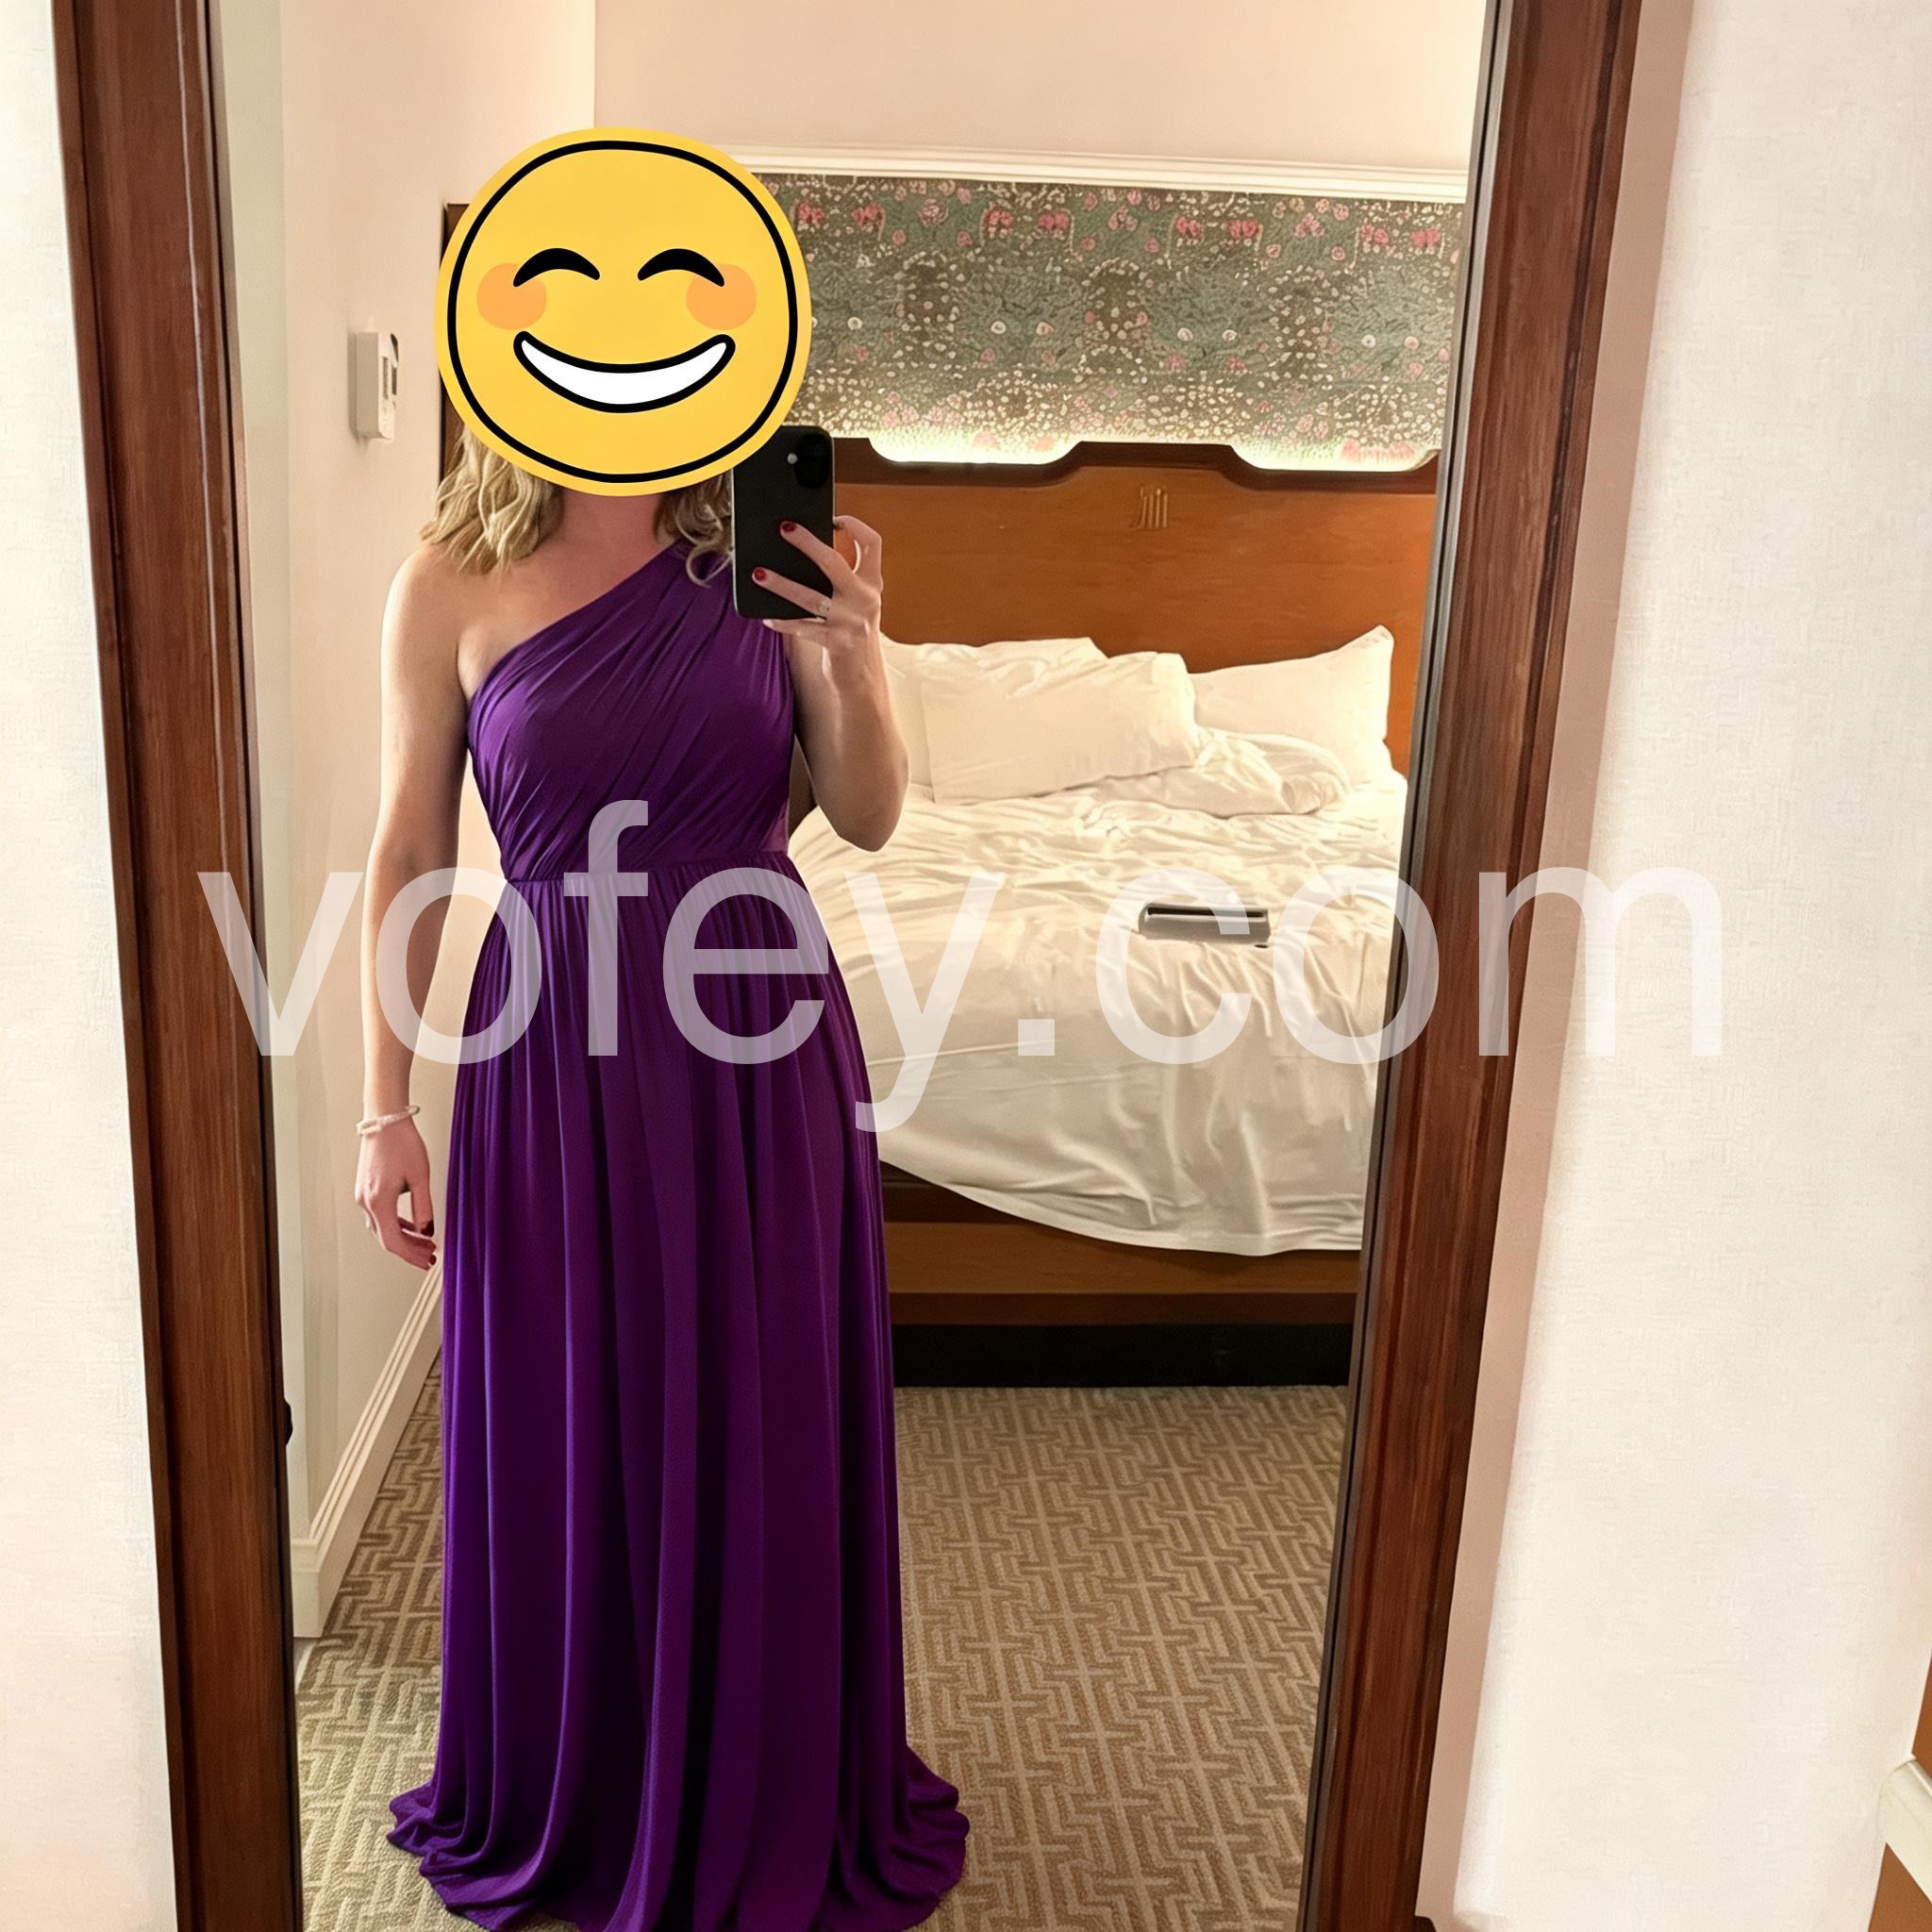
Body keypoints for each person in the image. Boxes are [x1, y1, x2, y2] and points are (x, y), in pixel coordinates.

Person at [354, 428, 967, 1931]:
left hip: (756, 1028)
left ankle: (762, 1772)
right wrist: (384, 1110)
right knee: (575, 1399)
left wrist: (854, 651)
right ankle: (590, 1782)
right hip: (551, 1040)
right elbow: (409, 851)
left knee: (759, 1396)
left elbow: (871, 812)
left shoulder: (763, 549)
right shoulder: (448, 578)